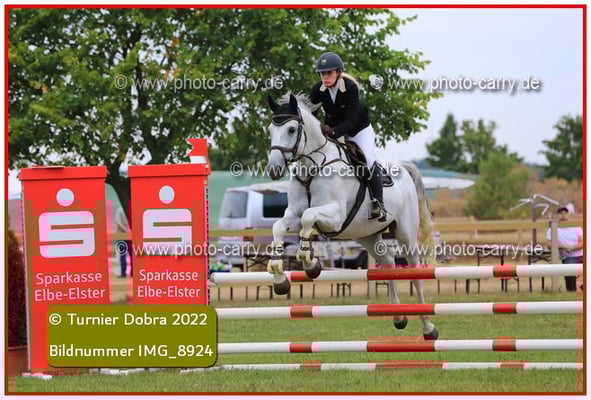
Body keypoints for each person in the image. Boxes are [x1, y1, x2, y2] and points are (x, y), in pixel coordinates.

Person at [309, 51, 387, 222]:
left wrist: (333, 132)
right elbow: (310, 113)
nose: (325, 77)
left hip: (359, 130)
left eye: (329, 73)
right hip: (333, 129)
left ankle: (378, 204)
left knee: (367, 160)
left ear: (338, 72)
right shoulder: (318, 89)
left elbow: (351, 121)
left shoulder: (350, 87)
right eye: (322, 73)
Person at [545, 204, 582, 292]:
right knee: (569, 267)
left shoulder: (576, 226)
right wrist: (561, 247)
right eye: (561, 213)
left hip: (581, 254)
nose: (563, 215)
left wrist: (572, 248)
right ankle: (572, 291)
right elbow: (548, 244)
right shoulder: (552, 228)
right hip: (568, 257)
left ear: (568, 215)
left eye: (565, 213)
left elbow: (583, 242)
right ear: (557, 215)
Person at [115, 206, 132, 278]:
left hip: (121, 235)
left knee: (122, 255)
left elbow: (118, 222)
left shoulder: (119, 209)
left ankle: (123, 273)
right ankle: (133, 272)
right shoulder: (131, 208)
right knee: (132, 255)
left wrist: (125, 230)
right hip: (131, 235)